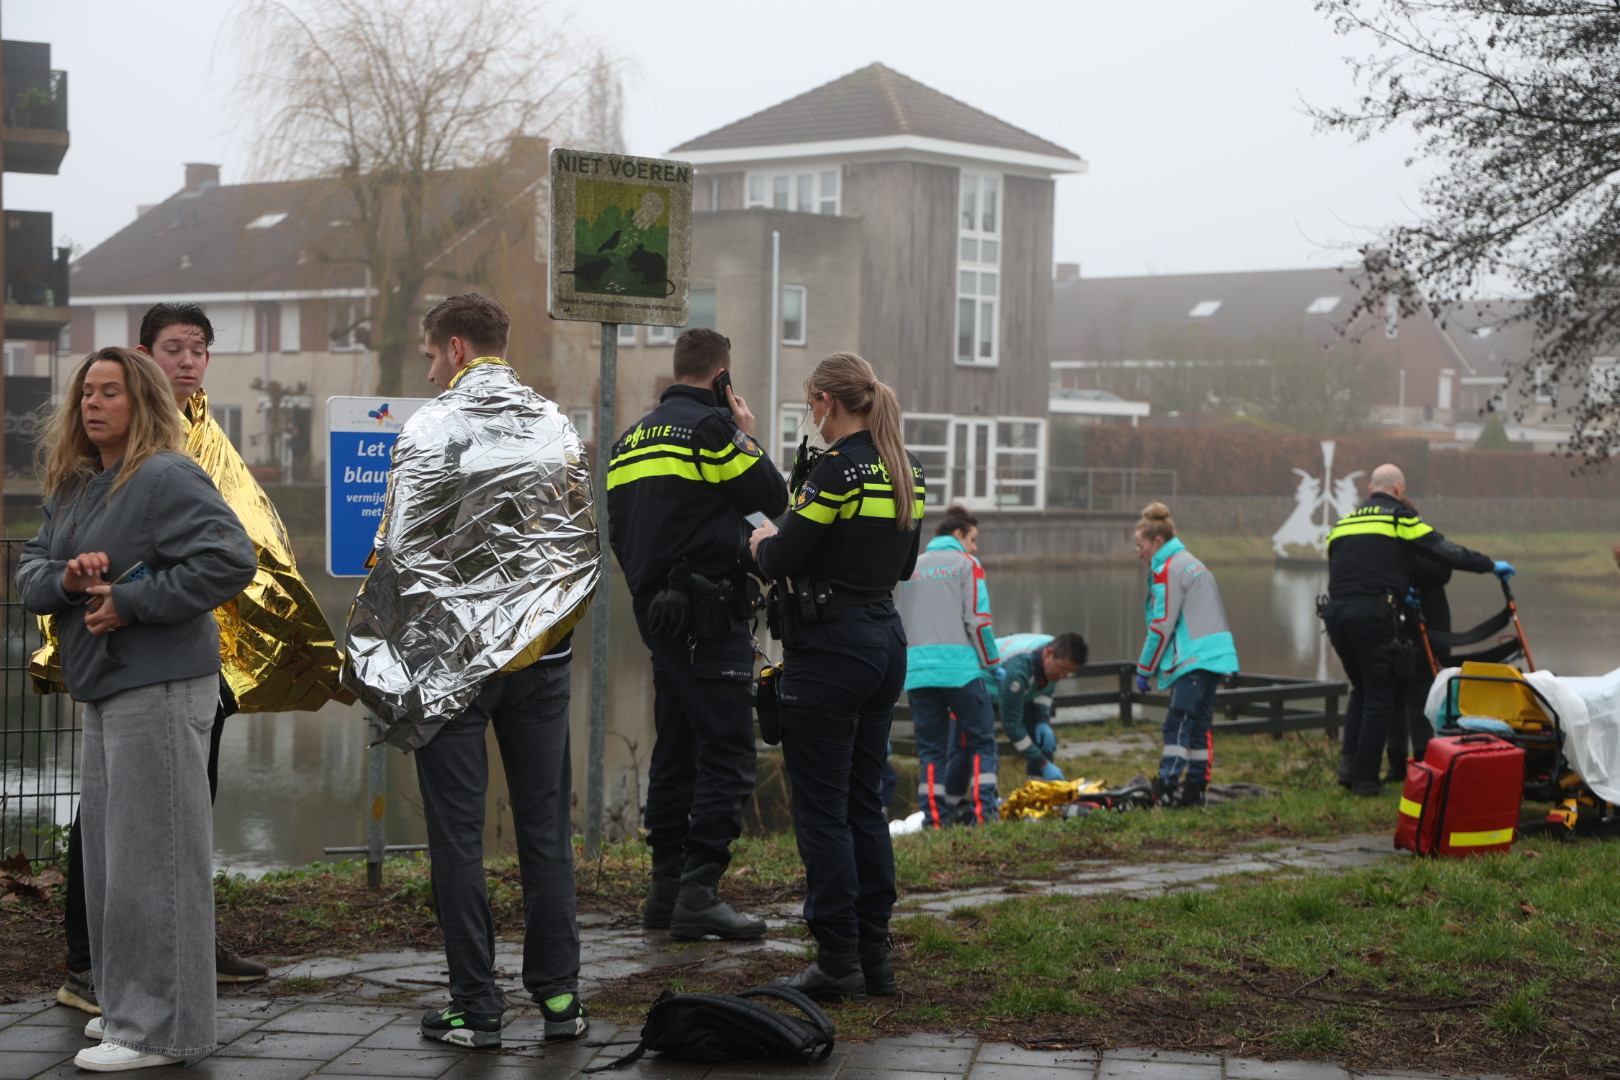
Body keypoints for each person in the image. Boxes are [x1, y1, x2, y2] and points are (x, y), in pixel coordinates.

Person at [43, 302, 351, 1014]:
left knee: (188, 809)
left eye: (200, 349)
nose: (189, 361)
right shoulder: (125, 452)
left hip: (202, 658)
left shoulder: (208, 437)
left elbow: (245, 546)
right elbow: (75, 554)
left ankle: (186, 945)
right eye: (174, 349)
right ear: (144, 357)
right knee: (110, 813)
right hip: (125, 656)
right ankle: (91, 964)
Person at [341, 294, 601, 1049]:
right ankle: (560, 1001)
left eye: (429, 356)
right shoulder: (554, 424)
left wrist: (382, 650)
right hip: (542, 664)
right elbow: (577, 546)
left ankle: (476, 1008)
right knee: (545, 830)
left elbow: (399, 553)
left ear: (454, 349)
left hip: (452, 670)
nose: (428, 371)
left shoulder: (430, 429)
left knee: (457, 837)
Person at [17, 348, 257, 1071]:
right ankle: (126, 1007)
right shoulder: (78, 482)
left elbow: (230, 560)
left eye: (110, 392)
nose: (93, 403)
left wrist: (130, 599)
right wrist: (66, 575)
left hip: (160, 687)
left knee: (157, 865)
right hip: (105, 688)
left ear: (142, 401)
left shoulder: (164, 475)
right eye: (86, 391)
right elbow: (30, 571)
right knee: (114, 863)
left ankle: (162, 1032)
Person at [749, 351, 923, 1002]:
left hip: (831, 651)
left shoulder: (834, 473)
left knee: (821, 814)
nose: (812, 419)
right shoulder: (907, 469)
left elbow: (783, 556)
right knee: (862, 803)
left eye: (811, 406)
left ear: (827, 402)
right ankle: (874, 957)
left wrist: (761, 542)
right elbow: (904, 565)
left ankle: (836, 960)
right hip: (884, 641)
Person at [606, 328, 788, 940]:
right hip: (710, 616)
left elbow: (618, 532)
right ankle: (700, 892)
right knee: (730, 754)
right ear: (721, 378)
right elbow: (772, 497)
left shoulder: (628, 440)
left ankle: (664, 890)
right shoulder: (713, 432)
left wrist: (649, 593)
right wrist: (745, 430)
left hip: (657, 617)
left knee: (677, 748)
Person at [1321, 463, 1511, 796]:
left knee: (1361, 691)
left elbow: (1349, 566)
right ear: (1398, 490)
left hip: (1335, 614)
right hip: (1373, 614)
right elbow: (1444, 551)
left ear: (1369, 490)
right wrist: (1489, 565)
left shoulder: (1343, 523)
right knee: (1380, 696)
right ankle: (1365, 781)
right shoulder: (1398, 517)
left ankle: (1349, 770)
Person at [895, 504, 1000, 827]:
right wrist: (992, 662)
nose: (975, 547)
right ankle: (984, 815)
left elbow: (898, 619)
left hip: (918, 673)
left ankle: (934, 817)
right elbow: (978, 621)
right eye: (972, 539)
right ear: (958, 534)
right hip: (961, 672)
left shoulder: (911, 567)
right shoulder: (967, 564)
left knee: (930, 750)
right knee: (982, 741)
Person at [1132, 503, 1240, 808]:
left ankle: (1165, 787)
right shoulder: (1191, 562)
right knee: (1200, 724)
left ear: (1157, 542)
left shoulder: (1168, 569)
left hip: (1192, 660)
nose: (1138, 553)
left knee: (1177, 724)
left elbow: (1162, 624)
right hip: (1215, 656)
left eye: (1140, 546)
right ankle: (1196, 790)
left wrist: (1144, 668)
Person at [987, 632, 1087, 782]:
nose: (1063, 676)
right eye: (1062, 670)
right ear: (1048, 653)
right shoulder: (1017, 671)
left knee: (1040, 735)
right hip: (983, 688)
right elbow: (1012, 726)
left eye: (1069, 673)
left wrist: (1042, 720)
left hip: (1017, 686)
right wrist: (1044, 764)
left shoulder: (1058, 654)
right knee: (984, 747)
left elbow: (1047, 687)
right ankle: (978, 799)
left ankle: (1040, 788)